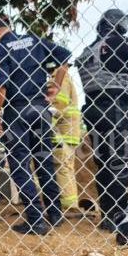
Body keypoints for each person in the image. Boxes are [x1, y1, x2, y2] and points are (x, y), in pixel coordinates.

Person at [0, 15, 72, 235]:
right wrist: (56, 86)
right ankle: (54, 213)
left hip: (17, 111)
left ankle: (35, 218)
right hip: (41, 109)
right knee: (44, 162)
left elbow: (0, 87)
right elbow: (65, 57)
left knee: (19, 165)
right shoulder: (34, 40)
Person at [75, 9, 128, 232]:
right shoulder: (120, 41)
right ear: (120, 24)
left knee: (104, 163)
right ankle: (118, 217)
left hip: (92, 110)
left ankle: (108, 214)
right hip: (115, 109)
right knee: (119, 163)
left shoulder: (90, 49)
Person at [45, 63, 82, 210]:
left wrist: (45, 120)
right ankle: (70, 203)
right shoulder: (64, 78)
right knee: (66, 167)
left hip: (62, 132)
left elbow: (59, 104)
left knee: (61, 167)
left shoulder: (60, 79)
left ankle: (68, 206)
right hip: (69, 132)